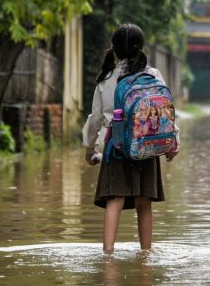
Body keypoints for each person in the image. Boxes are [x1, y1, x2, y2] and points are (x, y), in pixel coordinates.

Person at [82, 23, 179, 254]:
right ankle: (146, 256)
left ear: (114, 50)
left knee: (114, 200)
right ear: (142, 47)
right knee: (144, 203)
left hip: (116, 147)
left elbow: (96, 119)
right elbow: (164, 111)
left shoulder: (105, 80)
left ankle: (108, 255)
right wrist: (174, 142)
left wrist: (89, 149)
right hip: (146, 146)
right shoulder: (153, 75)